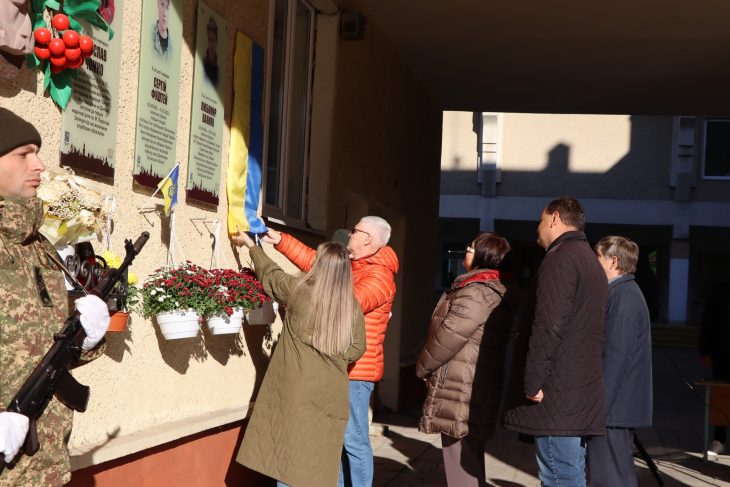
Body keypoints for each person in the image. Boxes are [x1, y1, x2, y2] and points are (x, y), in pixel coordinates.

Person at [0, 107, 110, 486]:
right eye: (24, 154)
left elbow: (50, 347)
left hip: (48, 469)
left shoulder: (40, 248)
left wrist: (88, 338)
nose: (40, 165)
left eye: (38, 152)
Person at [257, 216, 398, 487]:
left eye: (355, 230)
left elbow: (343, 303)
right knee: (337, 439)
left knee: (353, 440)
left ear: (368, 238)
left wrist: (301, 298)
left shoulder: (379, 277)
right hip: (336, 368)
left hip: (356, 373)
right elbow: (321, 266)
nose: (350, 234)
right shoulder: (354, 265)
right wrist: (282, 241)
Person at [232, 232, 365, 487]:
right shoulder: (352, 306)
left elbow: (271, 275)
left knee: (288, 460)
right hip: (331, 393)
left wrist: (251, 245)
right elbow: (357, 348)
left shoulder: (300, 291)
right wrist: (335, 353)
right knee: (320, 463)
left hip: (297, 389)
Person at [503, 196, 608, 487]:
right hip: (576, 392)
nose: (537, 227)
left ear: (555, 219)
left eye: (540, 220)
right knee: (571, 474)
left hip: (555, 395)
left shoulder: (560, 258)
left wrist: (532, 382)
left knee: (559, 477)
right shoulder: (588, 260)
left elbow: (548, 325)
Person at [416, 232, 513, 487]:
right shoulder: (492, 289)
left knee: (460, 462)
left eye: (470, 248)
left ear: (484, 255)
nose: (466, 252)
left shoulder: (475, 292)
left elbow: (448, 337)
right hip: (473, 384)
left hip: (460, 387)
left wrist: (423, 367)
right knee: (469, 459)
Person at [587, 236, 653, 486]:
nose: (593, 263)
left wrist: (598, 410)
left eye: (598, 257)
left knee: (609, 477)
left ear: (613, 261)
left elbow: (615, 359)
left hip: (613, 410)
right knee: (617, 475)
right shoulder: (622, 293)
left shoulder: (623, 297)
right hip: (616, 408)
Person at [699, 279, 730, 458]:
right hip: (723, 354)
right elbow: (708, 321)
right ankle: (719, 439)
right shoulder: (721, 290)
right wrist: (705, 351)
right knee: (721, 395)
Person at [203, 17, 219, 87]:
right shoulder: (202, 65)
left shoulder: (217, 71)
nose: (211, 44)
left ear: (216, 42)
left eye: (213, 40)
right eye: (209, 40)